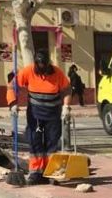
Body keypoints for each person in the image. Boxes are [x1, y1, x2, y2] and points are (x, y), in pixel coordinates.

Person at [13, 50, 71, 185]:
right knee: (35, 142)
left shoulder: (57, 73)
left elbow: (67, 89)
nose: (42, 68)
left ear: (48, 64)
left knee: (52, 142)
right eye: (39, 66)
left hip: (53, 114)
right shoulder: (28, 72)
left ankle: (51, 171)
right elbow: (13, 86)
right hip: (35, 115)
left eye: (44, 65)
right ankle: (35, 172)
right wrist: (13, 103)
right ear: (35, 64)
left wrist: (66, 106)